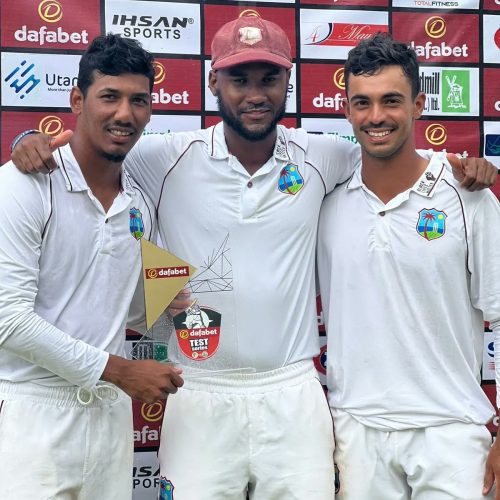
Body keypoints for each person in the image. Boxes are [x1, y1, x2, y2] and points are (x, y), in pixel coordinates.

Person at [9, 14, 498, 500]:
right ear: (213, 81)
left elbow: (393, 154)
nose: (255, 93)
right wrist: (25, 144)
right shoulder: (162, 156)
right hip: (196, 389)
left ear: (290, 79)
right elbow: (93, 149)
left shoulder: (327, 157)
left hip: (293, 390)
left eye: (269, 78)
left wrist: (465, 170)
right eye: (238, 79)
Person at [317, 33, 500, 500]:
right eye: (362, 102)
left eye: (391, 101)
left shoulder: (469, 197)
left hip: (451, 433)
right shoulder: (324, 202)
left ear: (418, 105)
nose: (376, 117)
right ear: (346, 109)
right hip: (356, 433)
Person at [0, 34, 183, 500]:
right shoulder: (23, 184)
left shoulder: (139, 202)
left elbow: (136, 314)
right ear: (77, 100)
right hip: (31, 420)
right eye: (110, 97)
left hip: (109, 420)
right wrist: (122, 371)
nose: (125, 114)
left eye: (138, 100)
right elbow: (7, 320)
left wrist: (175, 307)